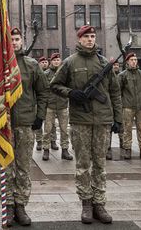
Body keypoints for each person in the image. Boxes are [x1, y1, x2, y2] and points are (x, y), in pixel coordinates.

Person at [49, 25, 121, 224]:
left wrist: (118, 119)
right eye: (86, 36)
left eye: (92, 36)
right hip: (81, 121)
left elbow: (115, 92)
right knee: (82, 164)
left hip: (102, 121)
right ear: (79, 39)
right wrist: (71, 93)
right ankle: (86, 204)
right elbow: (54, 85)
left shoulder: (104, 63)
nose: (90, 39)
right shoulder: (70, 63)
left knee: (100, 164)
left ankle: (100, 204)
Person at [0, 28, 48, 226]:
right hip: (5, 125)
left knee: (24, 167)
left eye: (17, 39)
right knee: (6, 166)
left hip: (25, 123)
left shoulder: (32, 65)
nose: (15, 42)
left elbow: (43, 92)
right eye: (11, 39)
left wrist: (40, 116)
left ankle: (20, 205)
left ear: (22, 41)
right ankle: (7, 206)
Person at [118, 53, 141, 160]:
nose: (134, 61)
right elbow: (118, 90)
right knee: (127, 128)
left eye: (135, 59)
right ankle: (127, 149)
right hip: (128, 106)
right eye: (132, 60)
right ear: (127, 61)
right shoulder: (122, 75)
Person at [42, 52, 72, 161]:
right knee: (48, 129)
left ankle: (65, 150)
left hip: (63, 105)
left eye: (58, 60)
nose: (56, 62)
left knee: (64, 129)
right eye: (54, 60)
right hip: (49, 105)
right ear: (51, 62)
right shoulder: (45, 74)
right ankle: (46, 150)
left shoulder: (64, 74)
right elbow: (43, 90)